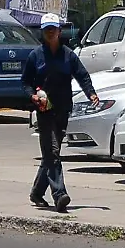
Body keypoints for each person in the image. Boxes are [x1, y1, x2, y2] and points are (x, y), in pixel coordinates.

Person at [21, 13, 99, 213]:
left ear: (59, 31)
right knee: (53, 153)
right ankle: (59, 195)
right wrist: (33, 96)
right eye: (46, 29)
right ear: (42, 32)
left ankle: (37, 193)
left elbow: (82, 75)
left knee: (50, 155)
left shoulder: (68, 55)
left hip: (63, 109)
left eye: (53, 29)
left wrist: (91, 93)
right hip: (44, 110)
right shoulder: (35, 56)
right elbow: (25, 83)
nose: (50, 32)